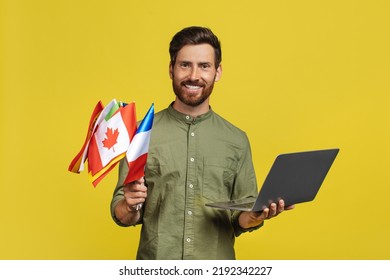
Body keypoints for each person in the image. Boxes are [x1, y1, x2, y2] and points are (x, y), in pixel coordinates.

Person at [110, 26, 294, 260]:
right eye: (185, 64)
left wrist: (257, 215)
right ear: (171, 69)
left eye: (204, 66)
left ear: (217, 72)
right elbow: (122, 214)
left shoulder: (236, 140)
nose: (194, 76)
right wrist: (130, 206)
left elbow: (241, 218)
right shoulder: (140, 134)